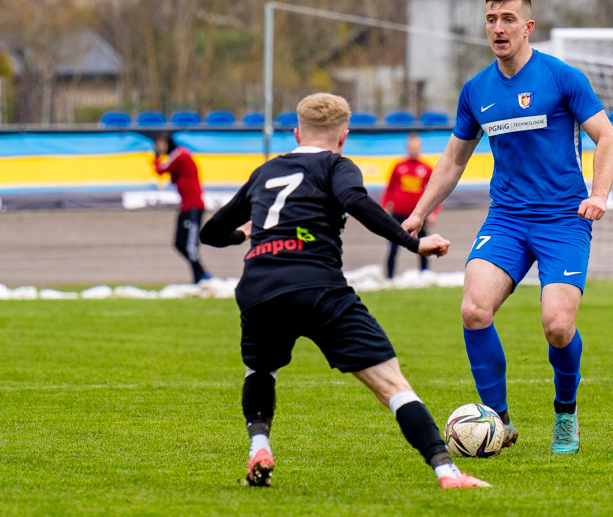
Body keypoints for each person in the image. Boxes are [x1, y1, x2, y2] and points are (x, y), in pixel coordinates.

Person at [200, 93, 488, 489]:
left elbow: (209, 233)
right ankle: (446, 471)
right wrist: (414, 242)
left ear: (296, 132)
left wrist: (242, 233)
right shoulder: (337, 166)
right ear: (343, 137)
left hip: (259, 288)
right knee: (392, 385)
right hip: (318, 287)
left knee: (261, 368)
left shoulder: (265, 172)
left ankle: (259, 447)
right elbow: (357, 203)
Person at [402, 0, 613, 455]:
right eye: (491, 19)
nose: (498, 28)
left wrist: (599, 193)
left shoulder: (562, 78)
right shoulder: (476, 90)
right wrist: (419, 212)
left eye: (507, 19)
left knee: (557, 326)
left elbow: (607, 138)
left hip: (564, 219)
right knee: (473, 309)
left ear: (527, 27)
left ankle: (566, 415)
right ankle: (498, 422)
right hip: (506, 219)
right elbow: (454, 159)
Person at [153, 132, 212, 284]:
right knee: (179, 244)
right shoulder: (178, 157)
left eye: (160, 144)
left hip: (194, 207)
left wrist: (156, 156)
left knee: (190, 246)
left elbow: (160, 170)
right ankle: (201, 273)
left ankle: (200, 277)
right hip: (186, 207)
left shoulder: (180, 155)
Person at [381, 133, 440, 279]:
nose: (414, 150)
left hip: (418, 216)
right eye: (411, 147)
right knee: (393, 247)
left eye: (416, 147)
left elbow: (436, 192)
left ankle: (424, 275)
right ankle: (389, 277)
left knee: (423, 246)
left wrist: (434, 212)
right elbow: (389, 188)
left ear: (420, 148)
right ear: (407, 148)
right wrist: (384, 205)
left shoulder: (426, 168)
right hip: (398, 214)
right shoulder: (399, 166)